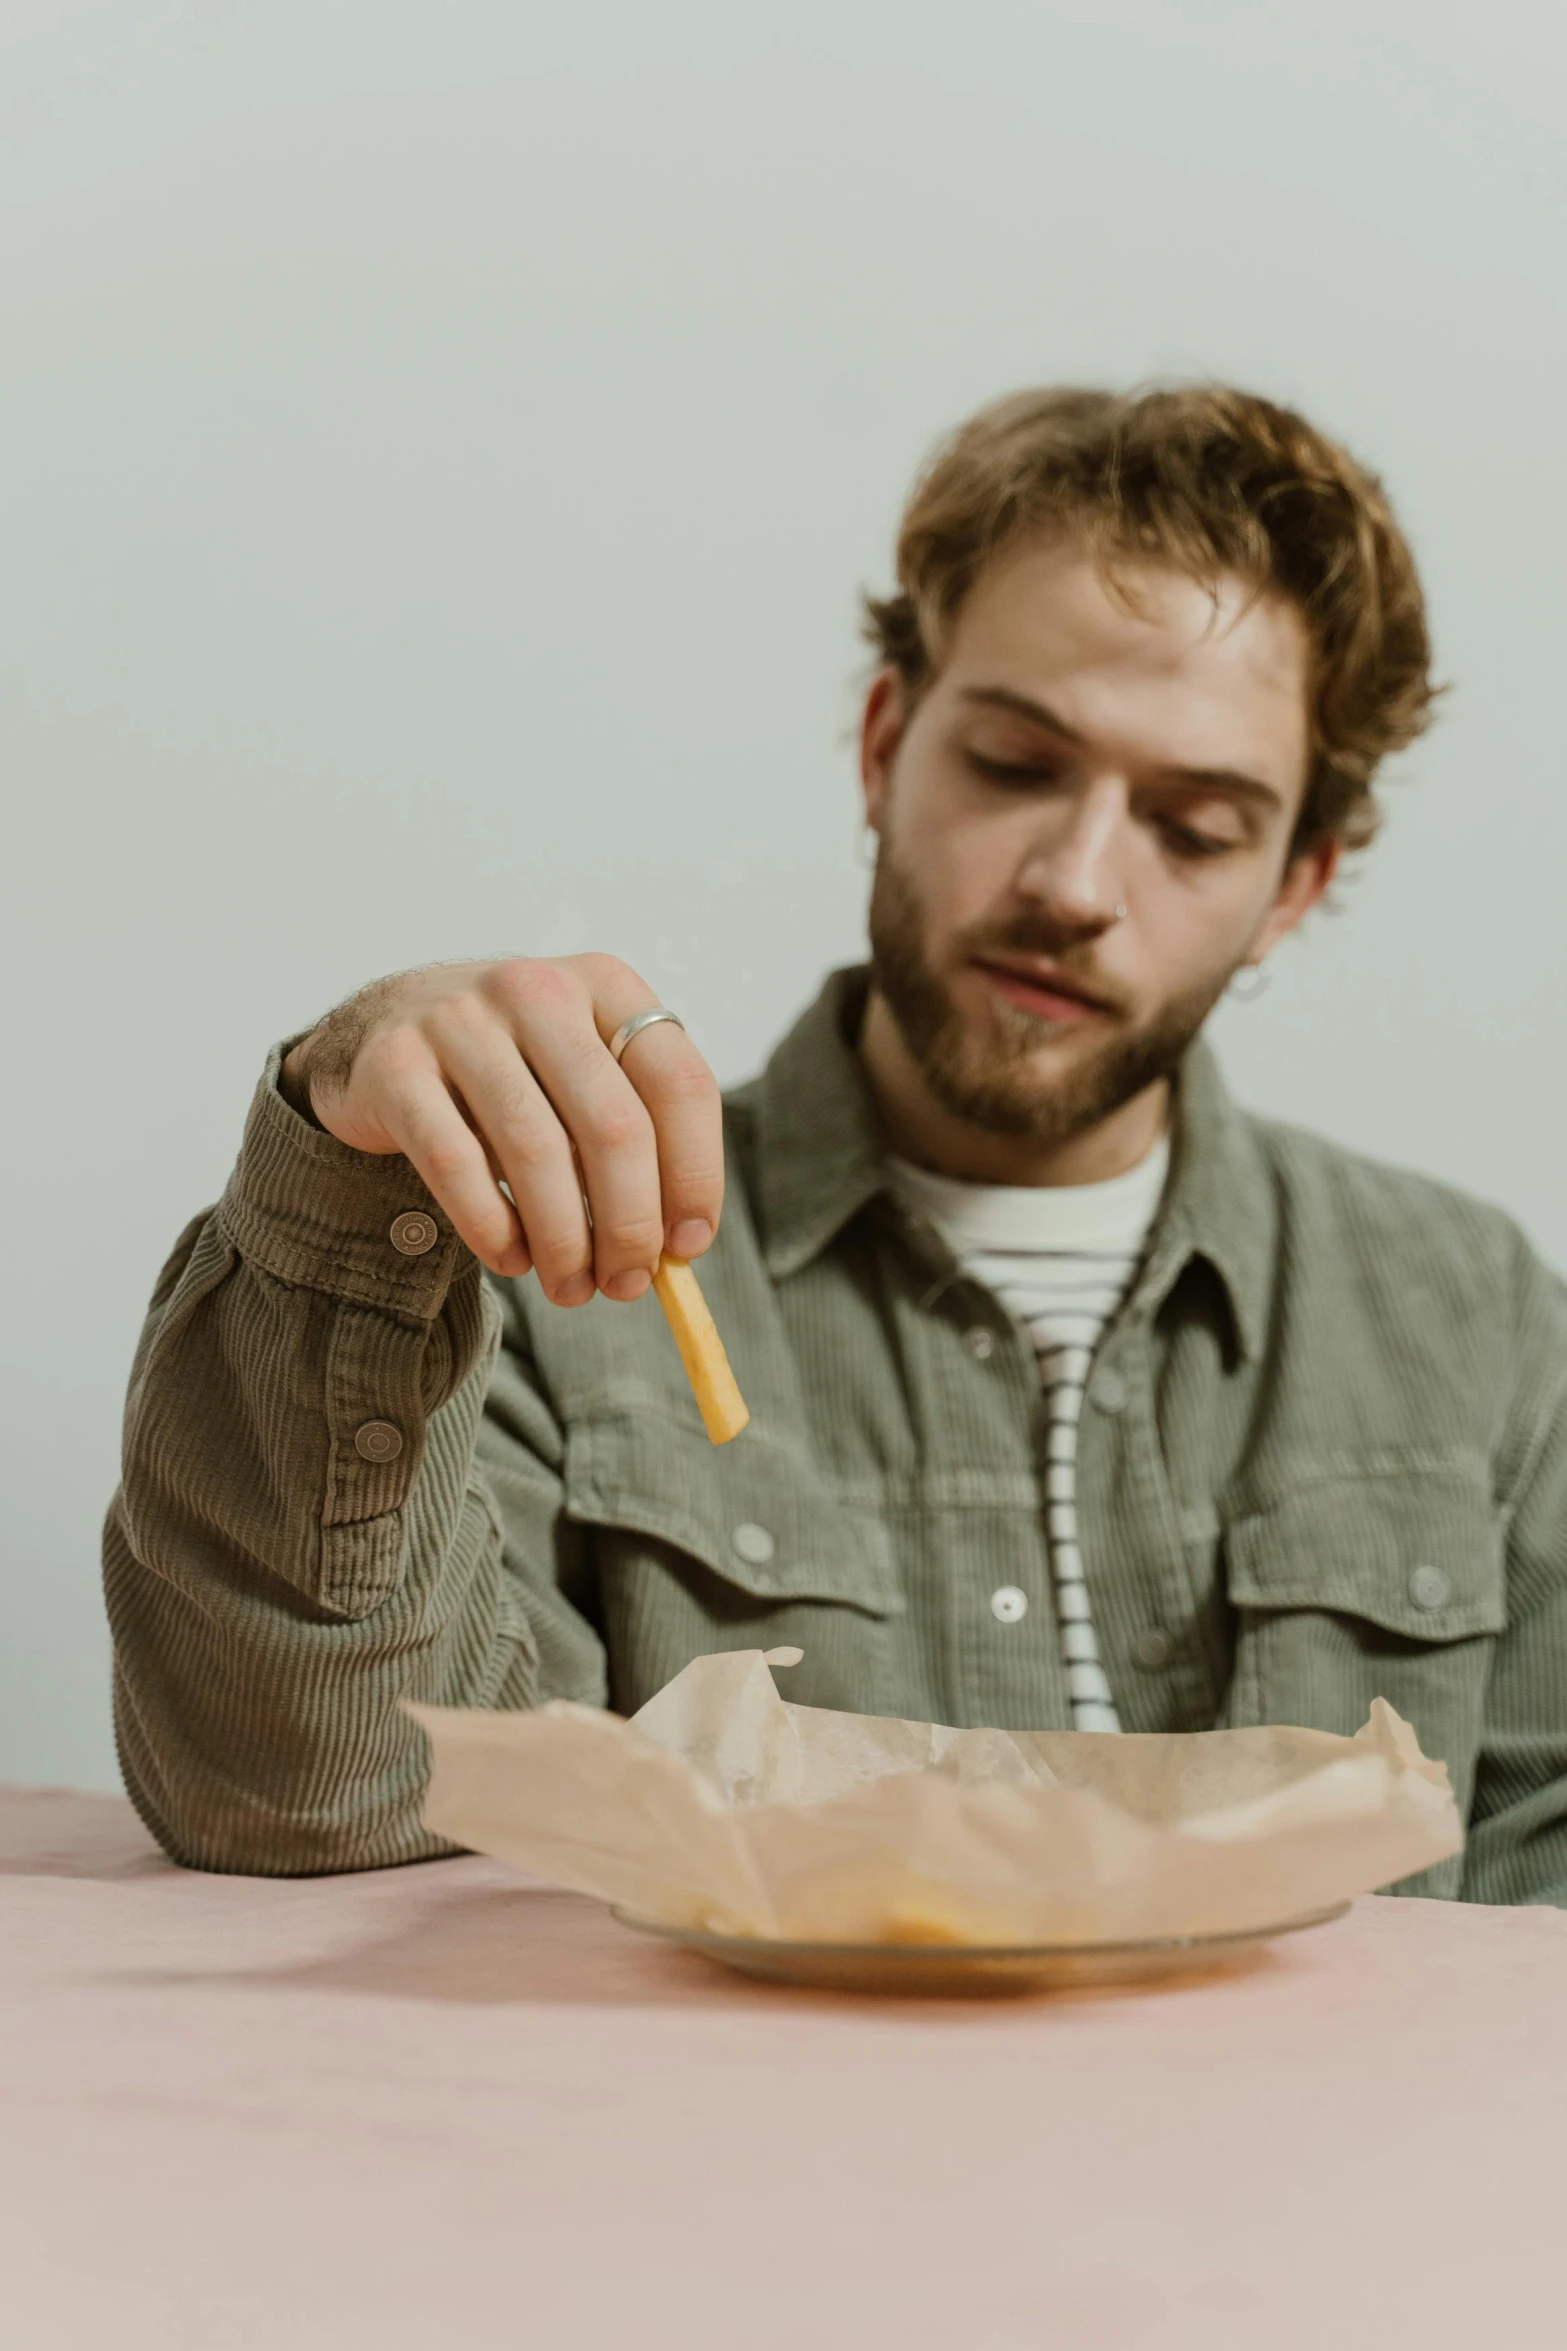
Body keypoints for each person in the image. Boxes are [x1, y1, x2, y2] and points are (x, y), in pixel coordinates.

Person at [105, 385, 1567, 1903]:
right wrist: (350, 1173)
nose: (1074, 880)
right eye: (1011, 763)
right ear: (885, 744)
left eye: (1193, 827)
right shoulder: (551, 1260)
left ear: (1291, 886)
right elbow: (309, 1797)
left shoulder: (1476, 1320)